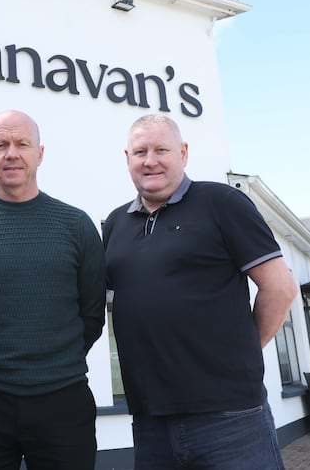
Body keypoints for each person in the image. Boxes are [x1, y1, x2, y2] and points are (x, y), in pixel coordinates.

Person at [103, 114, 298, 470]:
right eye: (140, 151)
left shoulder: (221, 202)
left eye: (161, 149)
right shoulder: (116, 223)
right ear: (127, 158)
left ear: (184, 152)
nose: (150, 160)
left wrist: (241, 353)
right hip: (150, 418)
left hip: (230, 416)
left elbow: (280, 288)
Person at [0, 109, 106, 470]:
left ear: (39, 153)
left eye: (22, 144)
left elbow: (92, 314)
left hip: (63, 400)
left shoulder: (76, 226)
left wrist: (55, 361)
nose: (11, 153)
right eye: (0, 145)